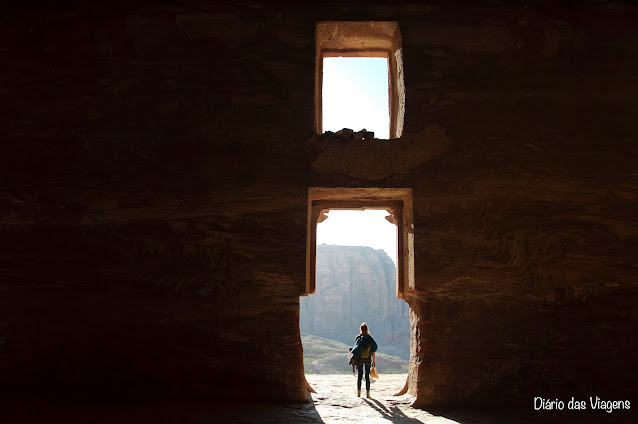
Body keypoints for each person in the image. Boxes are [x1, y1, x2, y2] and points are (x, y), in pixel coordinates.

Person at [350, 322, 378, 398]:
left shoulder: (358, 338)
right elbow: (373, 351)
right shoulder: (370, 338)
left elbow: (355, 350)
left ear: (361, 329)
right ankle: (368, 394)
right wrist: (374, 361)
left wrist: (354, 362)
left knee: (359, 375)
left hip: (359, 359)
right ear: (367, 329)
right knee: (367, 376)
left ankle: (358, 393)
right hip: (368, 359)